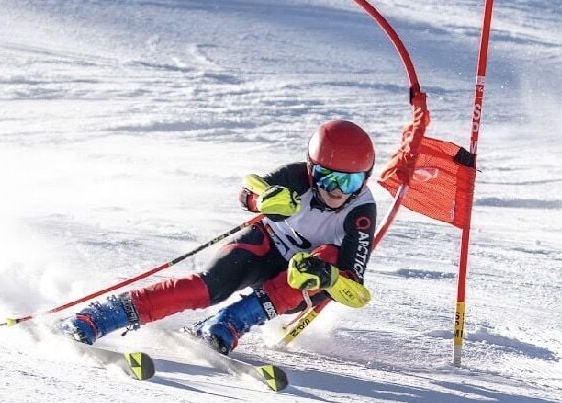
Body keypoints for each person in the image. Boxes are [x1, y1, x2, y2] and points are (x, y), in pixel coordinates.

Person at [62, 119, 377, 354]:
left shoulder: (360, 213)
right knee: (210, 286)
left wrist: (327, 277)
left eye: (348, 183)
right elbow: (249, 190)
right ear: (312, 170)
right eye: (327, 178)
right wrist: (261, 202)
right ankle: (105, 315)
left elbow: (353, 285)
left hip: (295, 283)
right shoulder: (297, 177)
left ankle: (229, 322)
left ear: (365, 179)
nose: (336, 191)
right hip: (264, 246)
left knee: (324, 262)